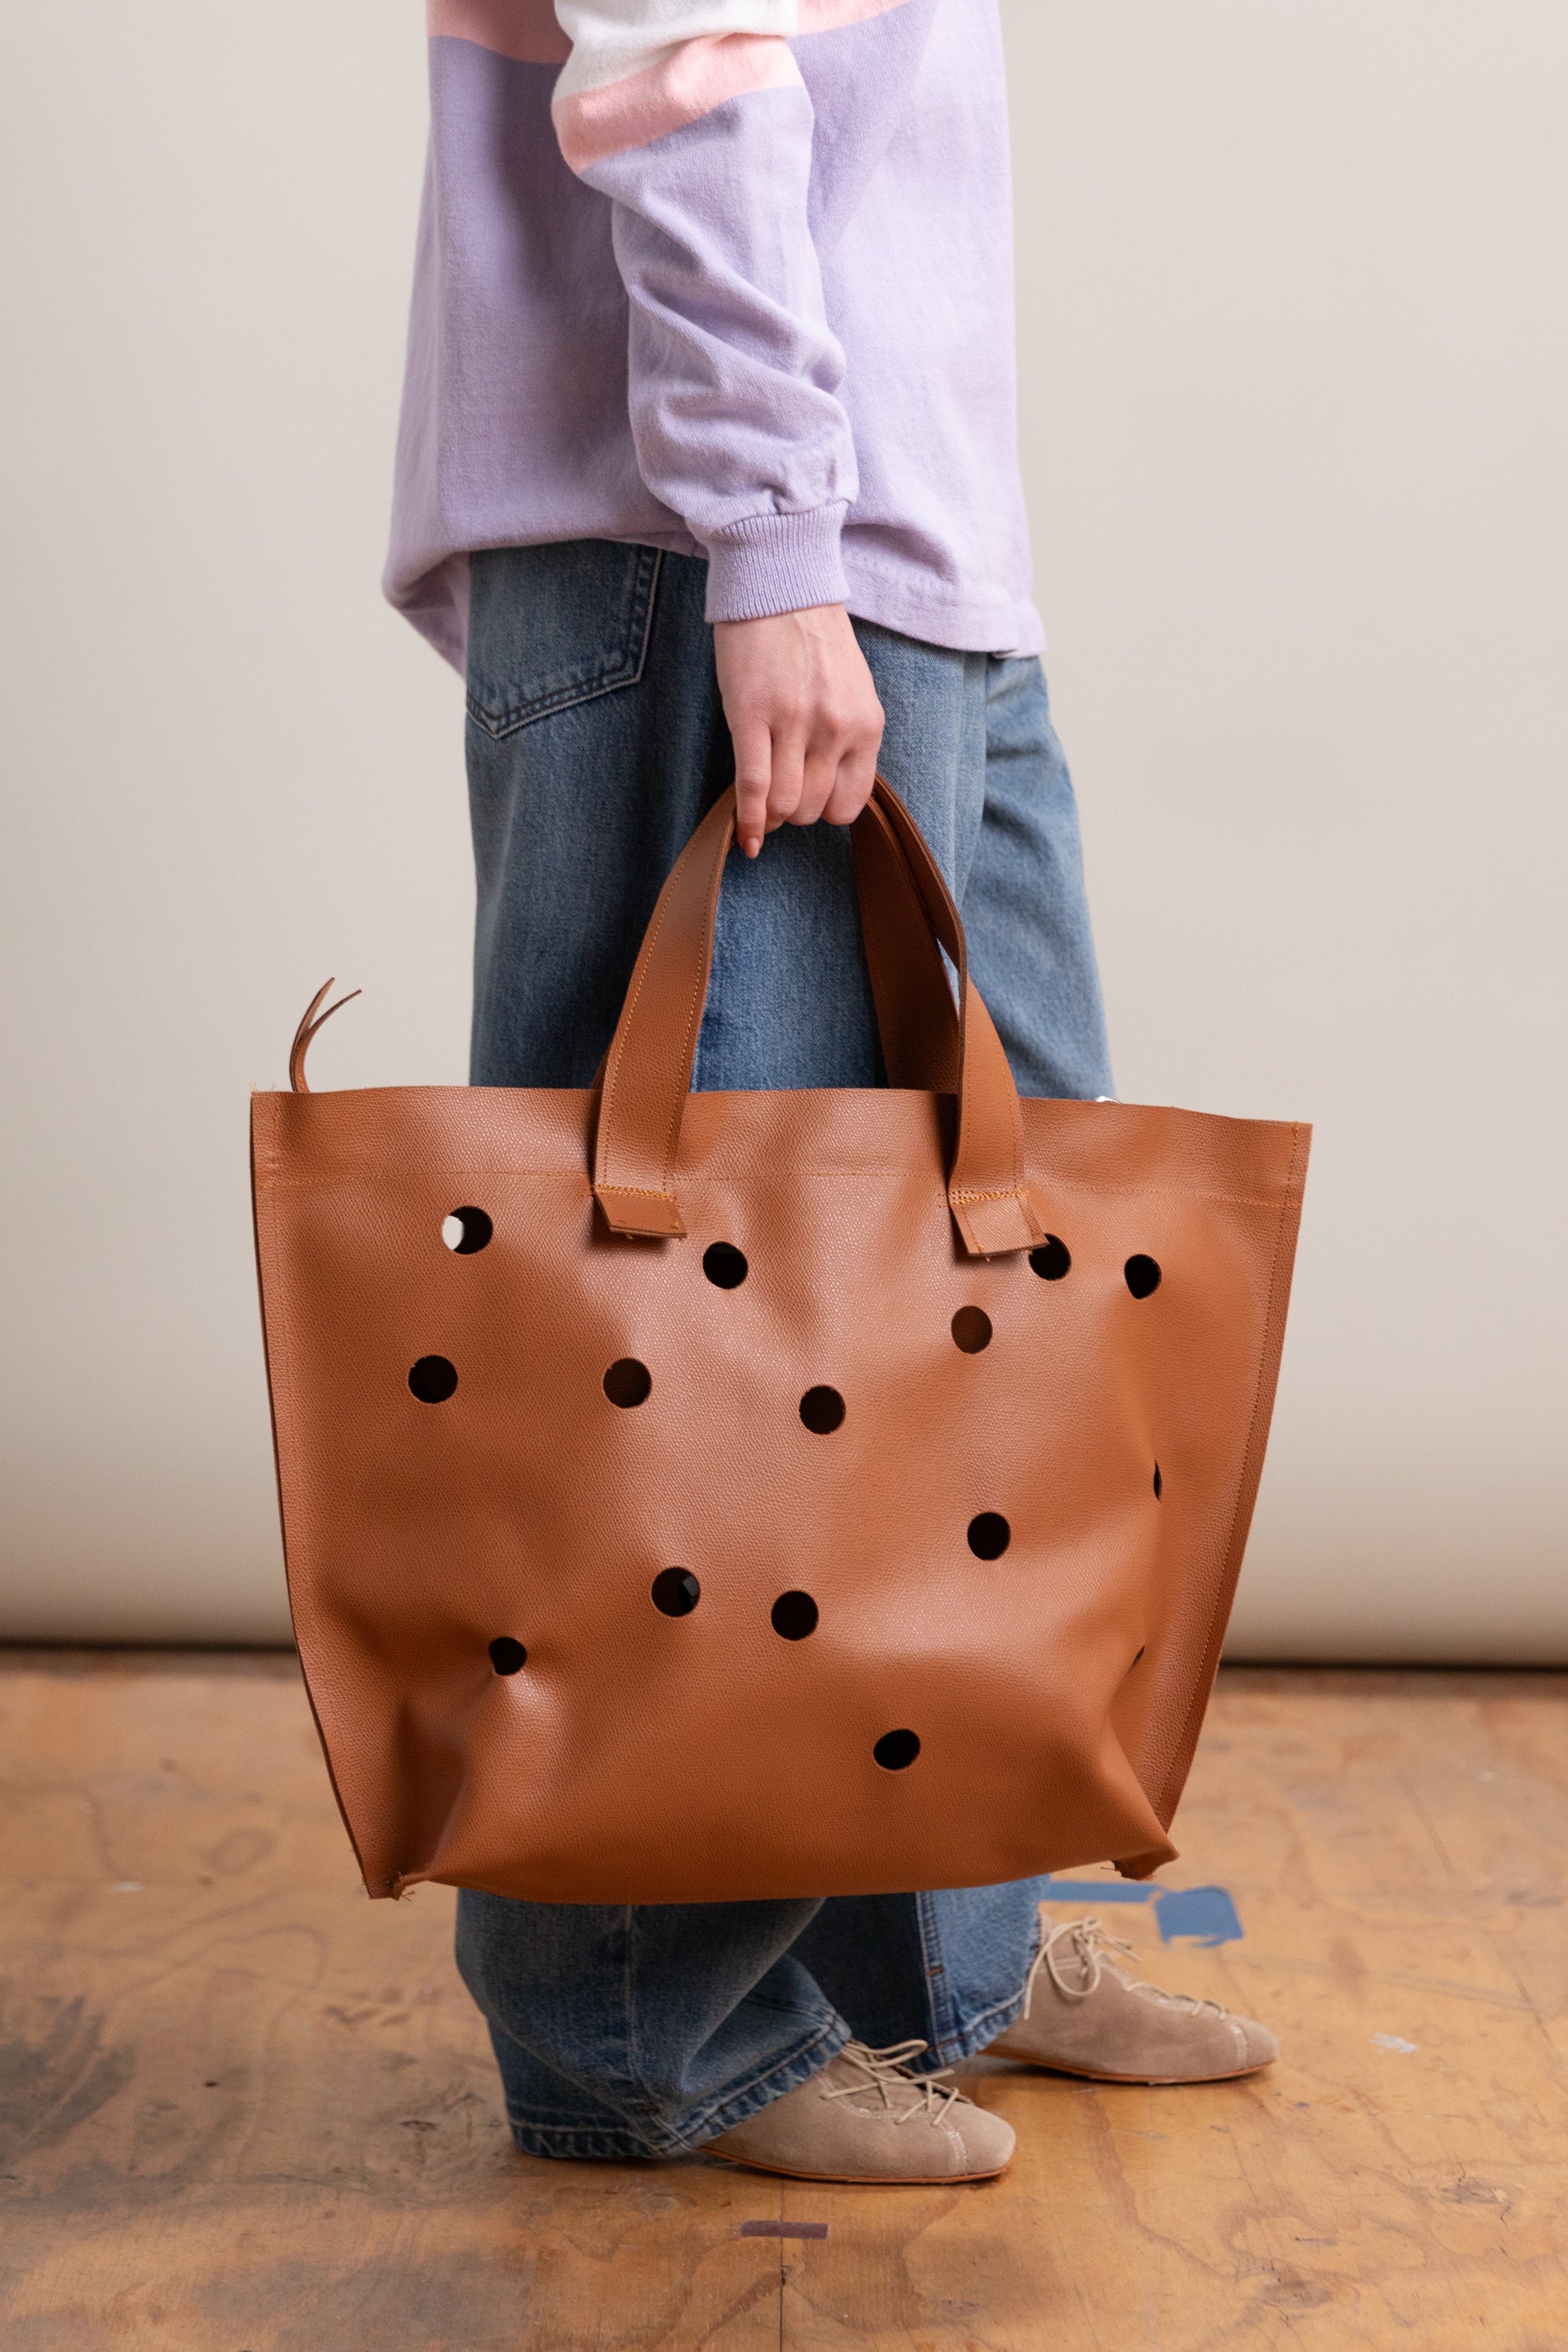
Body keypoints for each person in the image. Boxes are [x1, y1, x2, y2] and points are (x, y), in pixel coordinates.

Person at [384, 0, 1277, 2183]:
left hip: (903, 538)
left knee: (971, 1309)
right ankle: (637, 2022)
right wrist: (779, 543)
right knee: (698, 1333)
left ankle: (926, 1958)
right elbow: (678, 65)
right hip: (714, 542)